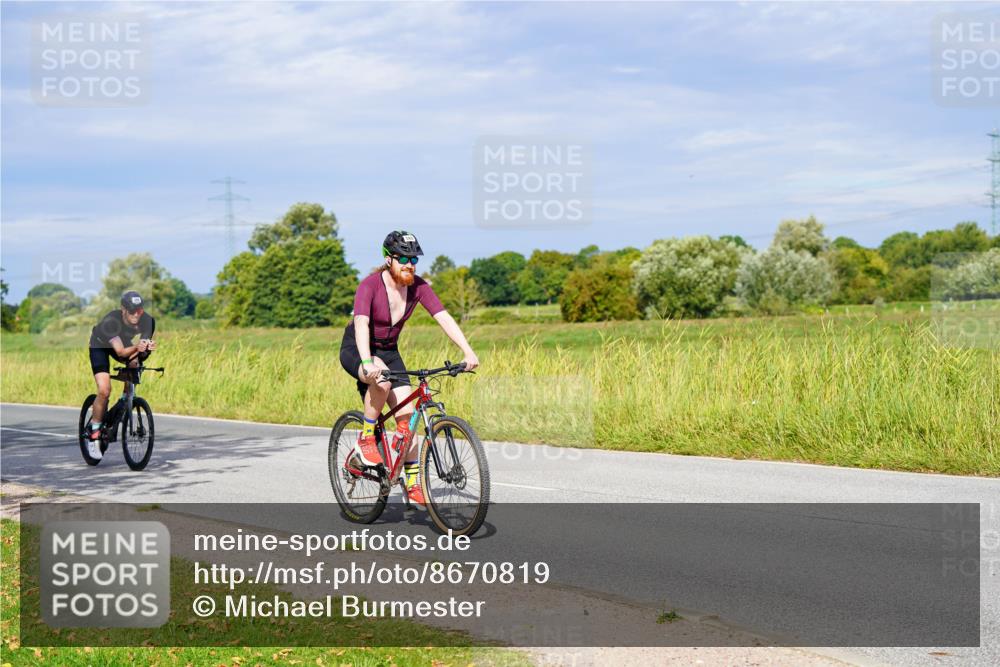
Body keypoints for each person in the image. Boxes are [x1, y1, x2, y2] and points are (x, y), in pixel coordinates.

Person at [339, 231, 479, 507]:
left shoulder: (418, 287)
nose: (410, 264)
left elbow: (444, 317)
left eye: (414, 258)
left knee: (408, 419)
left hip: (390, 352)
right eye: (403, 258)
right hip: (358, 348)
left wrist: (467, 350)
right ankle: (366, 438)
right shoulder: (369, 286)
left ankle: (412, 483)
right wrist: (367, 362)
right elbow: (360, 325)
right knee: (382, 383)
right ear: (389, 259)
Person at [85, 290, 157, 460]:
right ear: (123, 309)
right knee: (104, 390)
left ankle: (126, 397)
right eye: (132, 310)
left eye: (139, 310)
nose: (136, 314)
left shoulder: (148, 321)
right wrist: (138, 347)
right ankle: (94, 432)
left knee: (135, 363)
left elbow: (140, 354)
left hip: (123, 342)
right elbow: (121, 352)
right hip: (100, 346)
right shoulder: (111, 321)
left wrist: (146, 350)